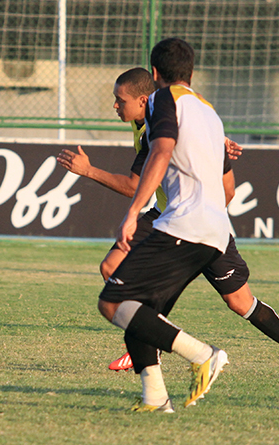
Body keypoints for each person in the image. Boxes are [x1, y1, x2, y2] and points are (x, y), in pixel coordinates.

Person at [57, 68, 279, 380]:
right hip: (164, 218)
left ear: (143, 100)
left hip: (197, 223)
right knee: (112, 267)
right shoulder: (148, 122)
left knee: (239, 302)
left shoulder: (160, 123)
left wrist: (88, 171)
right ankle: (146, 343)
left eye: (119, 99)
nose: (114, 105)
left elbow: (134, 186)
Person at [97, 38, 235, 412]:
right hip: (214, 229)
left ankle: (203, 355)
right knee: (140, 311)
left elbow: (160, 150)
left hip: (184, 225)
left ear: (155, 74)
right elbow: (229, 187)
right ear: (190, 72)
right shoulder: (209, 111)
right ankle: (156, 398)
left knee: (113, 301)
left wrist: (133, 211)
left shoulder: (162, 100)